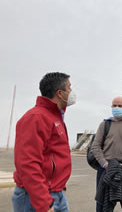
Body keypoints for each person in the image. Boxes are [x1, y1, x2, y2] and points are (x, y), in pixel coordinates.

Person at [12, 72, 76, 212]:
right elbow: (27, 164)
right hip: (35, 197)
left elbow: (56, 155)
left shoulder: (55, 117)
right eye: (69, 87)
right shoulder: (36, 118)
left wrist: (61, 188)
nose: (72, 92)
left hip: (56, 193)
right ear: (60, 93)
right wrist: (44, 203)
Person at [91, 96, 122, 212]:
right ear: (111, 107)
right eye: (114, 105)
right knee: (102, 201)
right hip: (105, 169)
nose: (117, 108)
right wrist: (104, 163)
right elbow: (95, 146)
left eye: (120, 106)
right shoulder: (104, 124)